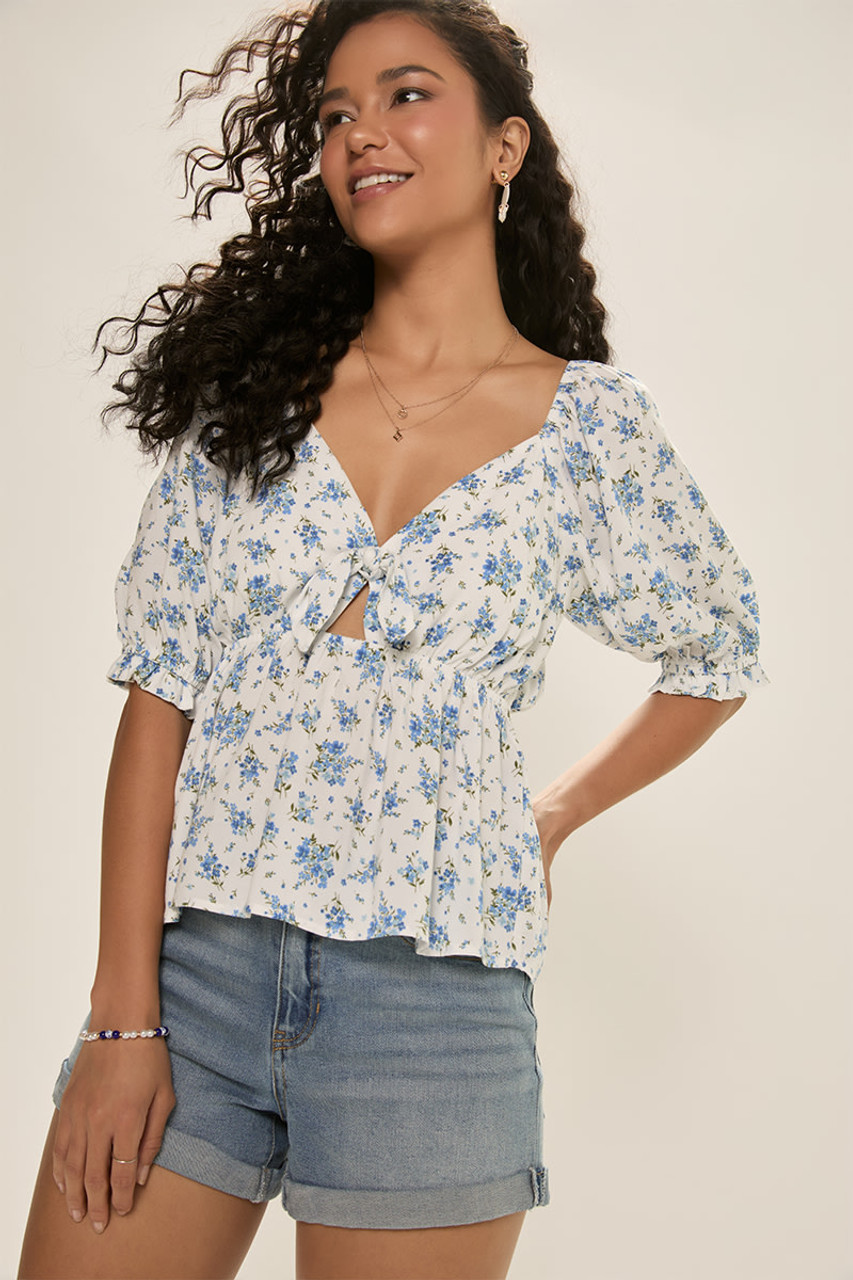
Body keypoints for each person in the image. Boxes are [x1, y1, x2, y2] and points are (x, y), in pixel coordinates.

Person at [17, 1, 767, 1277]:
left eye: (406, 95)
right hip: (194, 986)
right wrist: (121, 1020)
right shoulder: (250, 400)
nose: (361, 131)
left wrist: (551, 815)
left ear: (504, 146)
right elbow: (157, 701)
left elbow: (720, 649)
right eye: (334, 114)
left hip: (436, 1014)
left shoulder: (592, 430)